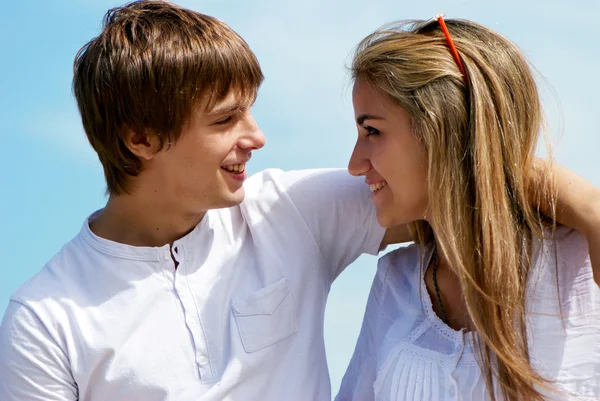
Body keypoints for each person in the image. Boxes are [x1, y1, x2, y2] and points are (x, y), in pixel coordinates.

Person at [0, 3, 597, 400]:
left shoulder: (290, 211)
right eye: (226, 119)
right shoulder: (46, 321)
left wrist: (592, 212)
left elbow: (467, 178)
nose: (256, 136)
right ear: (142, 140)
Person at [336, 16, 600, 401]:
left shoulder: (579, 270)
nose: (355, 163)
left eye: (372, 131)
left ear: (442, 131)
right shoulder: (396, 280)